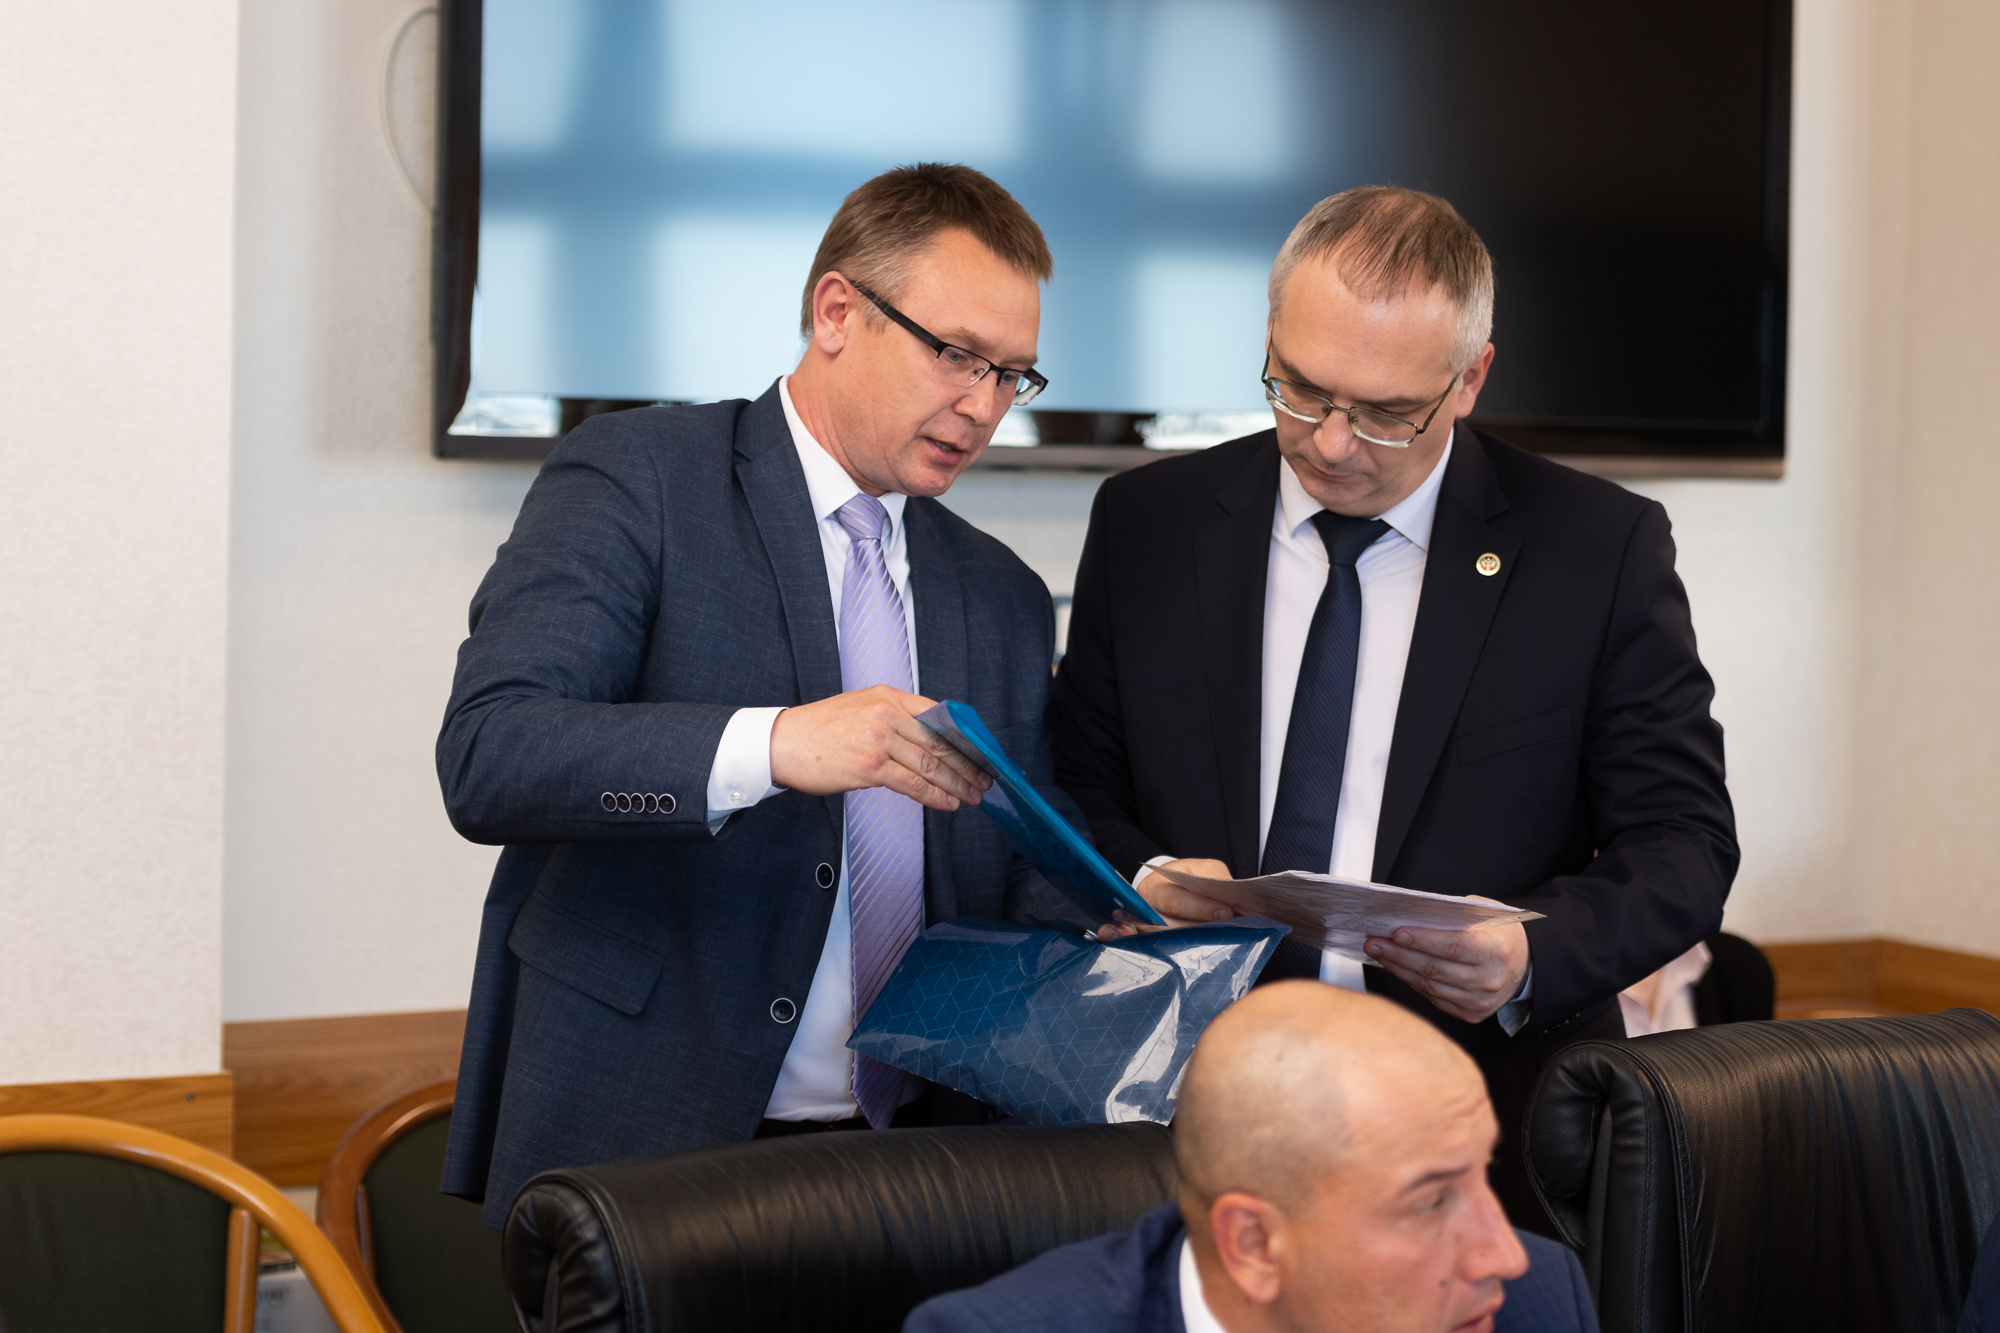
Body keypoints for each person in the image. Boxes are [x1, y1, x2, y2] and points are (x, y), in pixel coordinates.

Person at [1047, 186, 1737, 1229]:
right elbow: (1074, 779)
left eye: (1384, 412)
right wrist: (1142, 875)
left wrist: (1529, 955)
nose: (1331, 443)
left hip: (1474, 1124)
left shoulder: (1594, 551)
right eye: (1300, 389)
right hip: (1175, 1099)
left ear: (1470, 378)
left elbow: (1683, 842)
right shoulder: (1149, 521)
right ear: (1269, 338)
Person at [437, 164, 1081, 1227]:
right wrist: (774, 746)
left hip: (920, 1164)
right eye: (956, 355)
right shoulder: (640, 477)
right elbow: (492, 755)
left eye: (1012, 375)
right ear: (836, 313)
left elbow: (1011, 859)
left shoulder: (1002, 592)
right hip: (645, 1144)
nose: (982, 406)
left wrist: (1131, 905)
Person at [904, 982, 1597, 1333]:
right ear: (1254, 1245)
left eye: (1481, 1175)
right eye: (1432, 1200)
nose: (1505, 1255)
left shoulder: (1537, 1300)